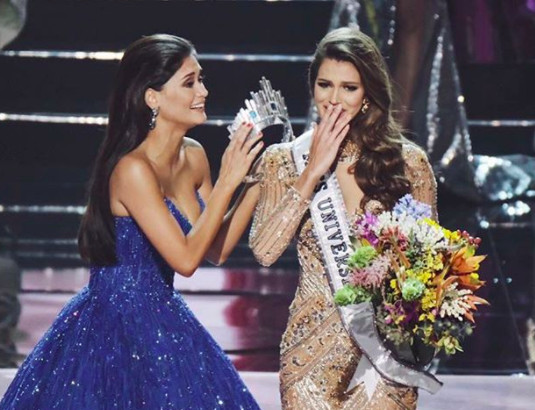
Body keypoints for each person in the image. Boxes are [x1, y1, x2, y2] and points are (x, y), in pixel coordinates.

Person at [0, 34, 262, 409]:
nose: (203, 91)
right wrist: (227, 182)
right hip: (112, 325)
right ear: (152, 97)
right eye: (189, 82)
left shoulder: (194, 155)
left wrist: (254, 184)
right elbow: (185, 260)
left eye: (201, 79)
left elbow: (214, 249)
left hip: (163, 316)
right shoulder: (132, 170)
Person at [208, 27, 437, 409]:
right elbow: (264, 251)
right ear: (312, 86)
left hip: (383, 356)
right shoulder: (284, 160)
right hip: (308, 354)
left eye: (349, 88)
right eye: (325, 85)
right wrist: (311, 173)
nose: (334, 99)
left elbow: (430, 266)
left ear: (368, 94)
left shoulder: (408, 163)